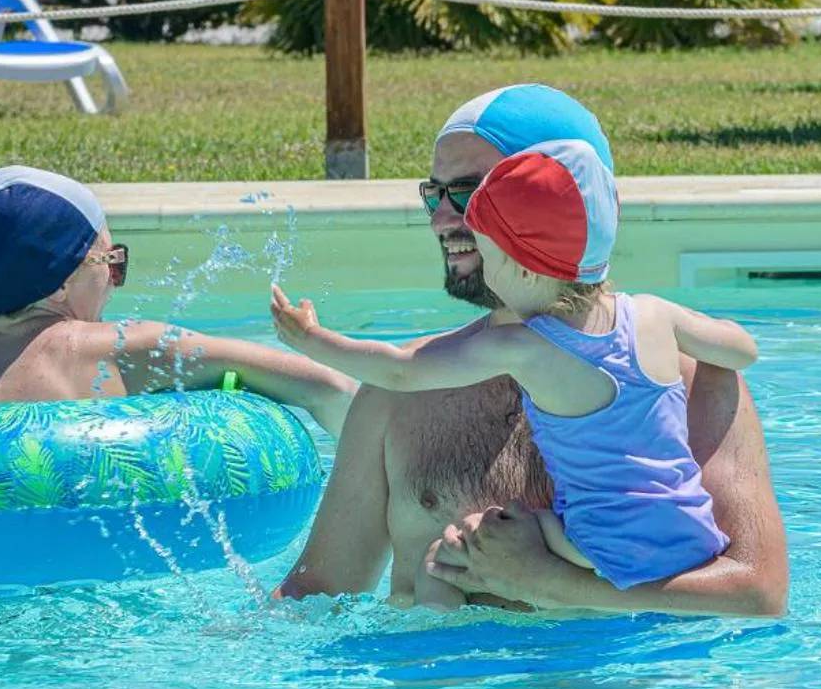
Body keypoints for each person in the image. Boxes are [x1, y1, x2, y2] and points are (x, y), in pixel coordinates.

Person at [275, 86, 790, 617]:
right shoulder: (396, 394)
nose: (444, 220)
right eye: (436, 194)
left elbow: (757, 595)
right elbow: (317, 594)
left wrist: (549, 584)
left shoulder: (689, 379)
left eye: (473, 195)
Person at [0, 165, 356, 435]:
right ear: (62, 281)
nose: (115, 282)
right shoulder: (123, 348)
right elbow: (329, 389)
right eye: (110, 261)